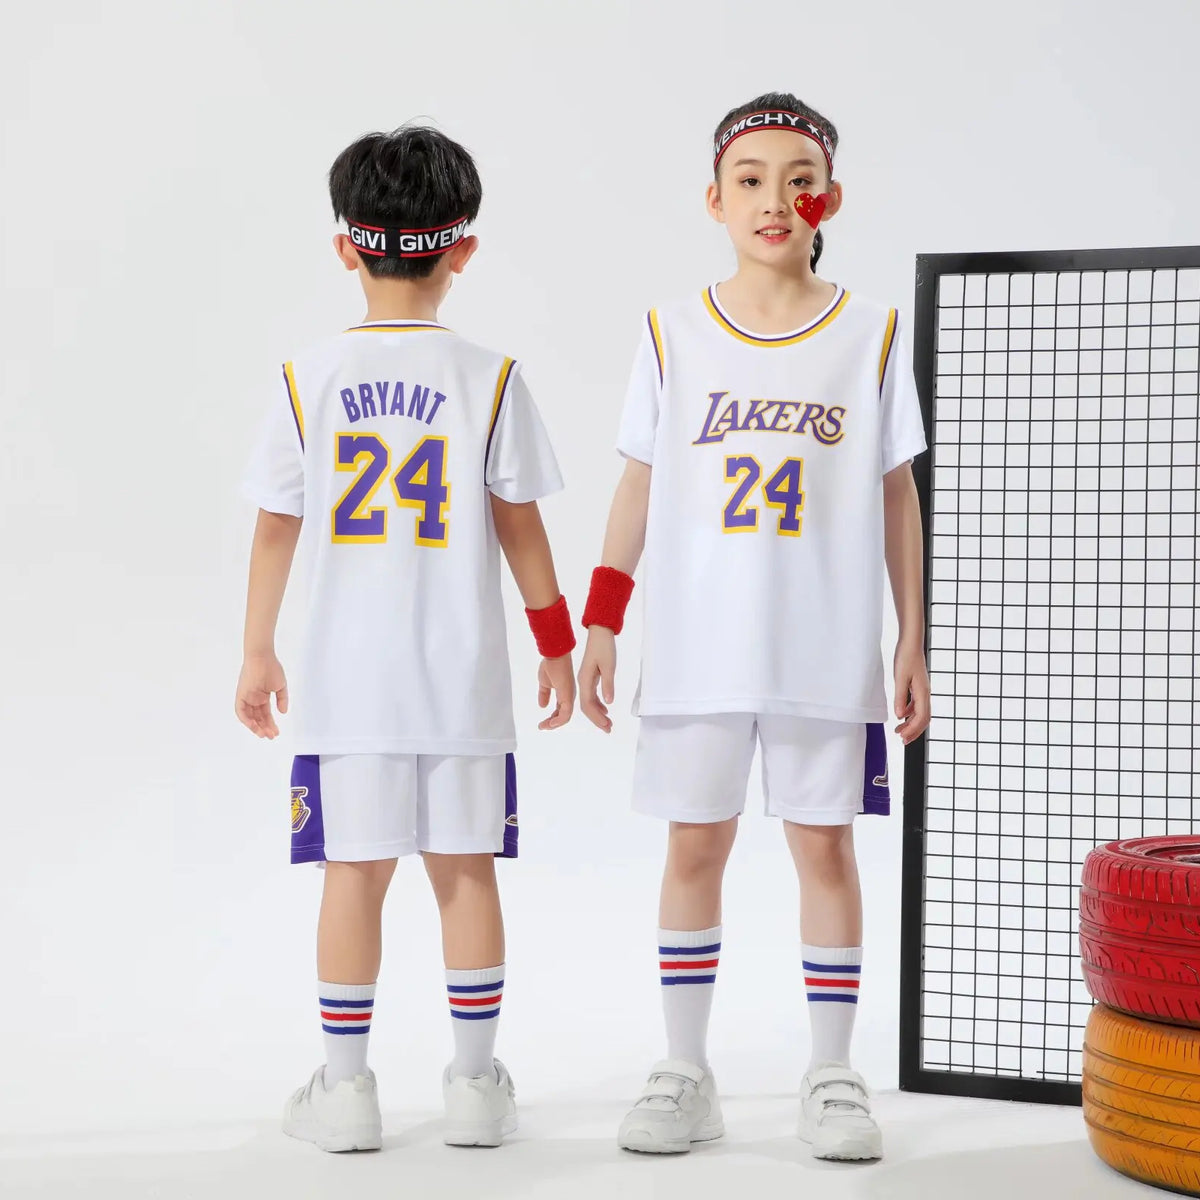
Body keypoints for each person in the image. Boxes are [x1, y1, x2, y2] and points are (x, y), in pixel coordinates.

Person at [577, 92, 930, 1161]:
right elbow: (637, 484)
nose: (775, 198)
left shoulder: (871, 332)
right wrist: (603, 620)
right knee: (695, 844)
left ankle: (832, 1072)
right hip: (699, 648)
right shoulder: (672, 330)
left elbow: (896, 494)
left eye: (798, 178)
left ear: (830, 198)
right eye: (750, 179)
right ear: (715, 200)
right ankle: (686, 1069)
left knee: (824, 847)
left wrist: (911, 636)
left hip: (823, 647)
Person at [235, 125, 576, 1153]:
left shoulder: (307, 377)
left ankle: (345, 1092)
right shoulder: (491, 376)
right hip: (461, 682)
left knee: (354, 873)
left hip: (350, 686)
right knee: (465, 872)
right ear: (462, 249)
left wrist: (257, 650)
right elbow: (521, 523)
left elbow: (276, 525)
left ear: (346, 245)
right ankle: (474, 1088)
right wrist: (556, 641)